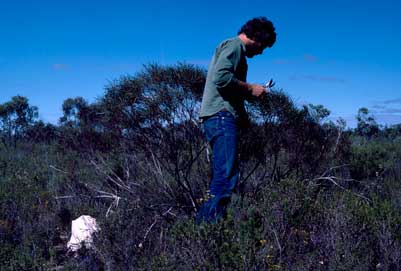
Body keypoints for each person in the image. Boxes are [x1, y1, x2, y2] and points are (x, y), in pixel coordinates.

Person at [196, 17, 276, 224]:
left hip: (219, 116)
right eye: (263, 47)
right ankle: (208, 233)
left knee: (223, 176)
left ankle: (202, 232)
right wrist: (251, 88)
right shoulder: (234, 46)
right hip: (221, 117)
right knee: (225, 178)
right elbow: (221, 79)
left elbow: (227, 86)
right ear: (257, 38)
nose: (261, 52)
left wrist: (251, 96)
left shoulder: (232, 48)